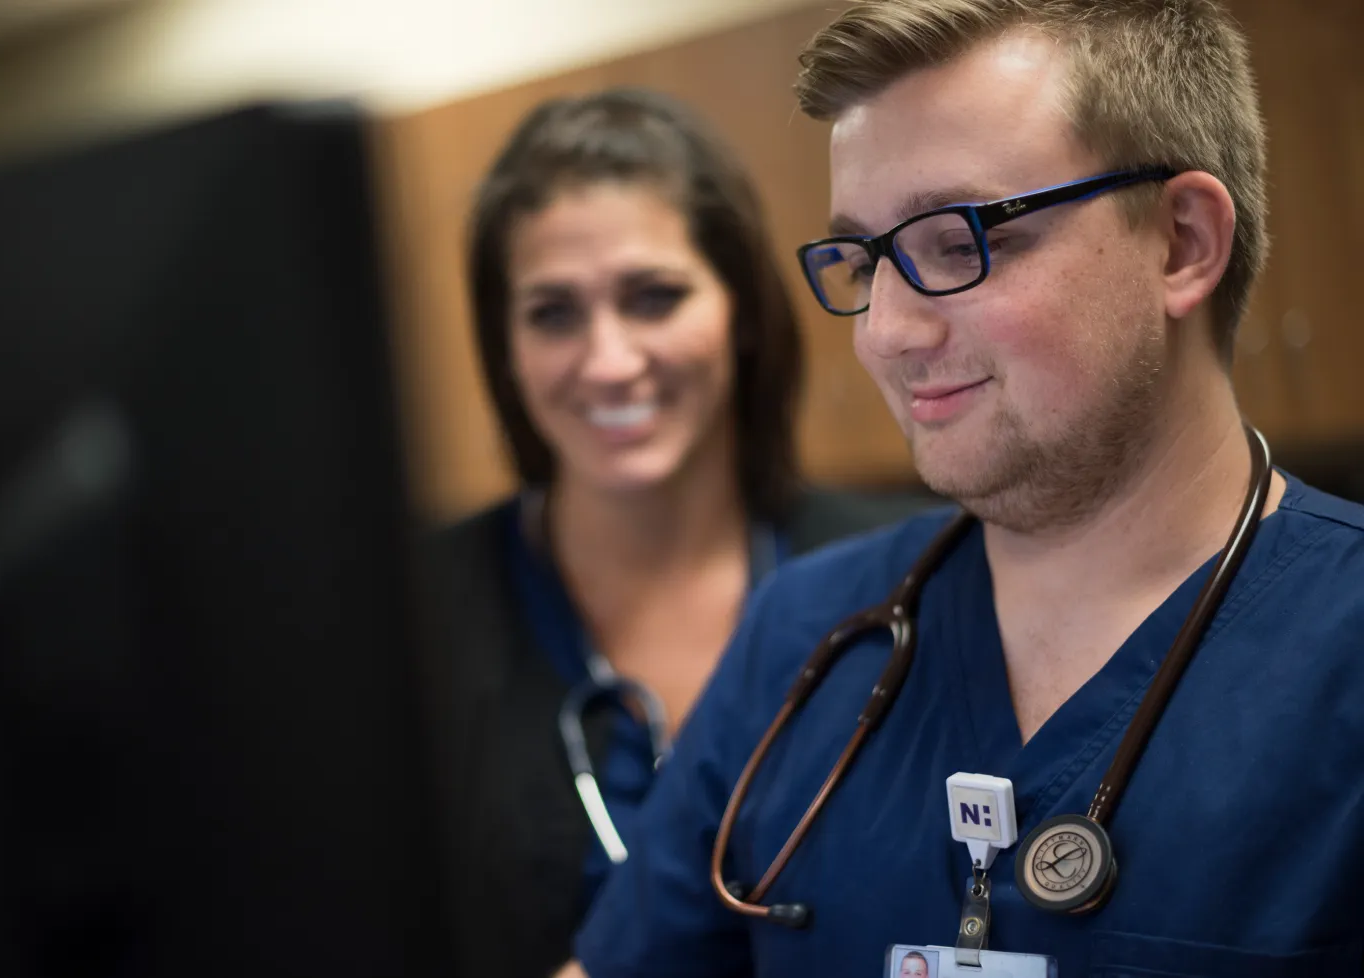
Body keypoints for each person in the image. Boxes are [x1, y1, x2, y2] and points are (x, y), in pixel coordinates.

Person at [556, 2, 1364, 976]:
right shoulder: (804, 636)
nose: (886, 332)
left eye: (956, 240)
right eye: (864, 259)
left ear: (1180, 242)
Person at [415, 88, 935, 978]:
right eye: (553, 313)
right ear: (503, 349)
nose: (609, 360)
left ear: (740, 313)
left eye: (653, 297)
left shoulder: (911, 583)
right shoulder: (409, 621)